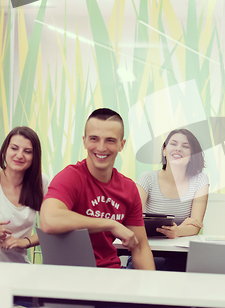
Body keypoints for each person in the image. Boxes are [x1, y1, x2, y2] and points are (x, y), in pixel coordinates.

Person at [40, 108, 154, 269]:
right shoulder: (70, 177)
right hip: (68, 276)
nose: (101, 147)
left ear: (122, 145)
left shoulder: (128, 188)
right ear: (85, 141)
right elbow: (49, 220)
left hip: (110, 274)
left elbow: (140, 247)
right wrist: (111, 224)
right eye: (94, 139)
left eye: (110, 140)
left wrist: (150, 290)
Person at [131, 129, 209, 271]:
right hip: (147, 249)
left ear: (192, 155)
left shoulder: (200, 180)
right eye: (173, 144)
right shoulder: (147, 178)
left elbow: (196, 225)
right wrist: (183, 227)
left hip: (180, 254)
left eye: (185, 146)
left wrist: (178, 231)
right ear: (165, 151)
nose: (178, 148)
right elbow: (134, 219)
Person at [0, 127, 49, 263]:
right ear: (5, 150)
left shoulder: (41, 182)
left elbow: (52, 227)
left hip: (19, 269)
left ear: (35, 157)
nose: (20, 155)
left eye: (27, 151)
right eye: (14, 148)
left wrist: (25, 242)